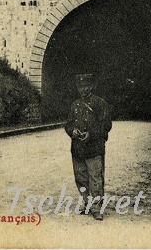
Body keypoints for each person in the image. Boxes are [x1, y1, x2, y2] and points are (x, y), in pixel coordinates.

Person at [65, 73, 112, 220]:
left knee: (95, 178)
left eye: (86, 86)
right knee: (81, 178)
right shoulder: (75, 105)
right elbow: (68, 124)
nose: (83, 89)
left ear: (91, 86)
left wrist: (91, 134)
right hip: (78, 148)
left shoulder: (100, 103)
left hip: (94, 148)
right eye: (80, 87)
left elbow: (106, 125)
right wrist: (72, 130)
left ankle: (97, 207)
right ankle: (86, 202)